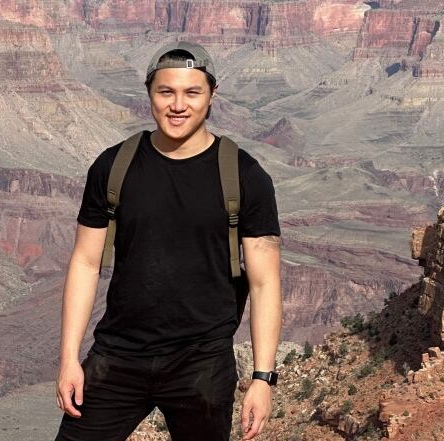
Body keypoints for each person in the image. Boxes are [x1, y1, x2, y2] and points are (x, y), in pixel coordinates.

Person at [54, 41, 282, 441]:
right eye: (166, 92)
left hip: (202, 363)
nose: (178, 105)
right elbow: (86, 263)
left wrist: (262, 379)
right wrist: (69, 359)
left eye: (192, 92)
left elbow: (265, 283)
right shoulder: (113, 167)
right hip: (117, 356)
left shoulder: (246, 177)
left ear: (211, 95)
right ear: (149, 95)